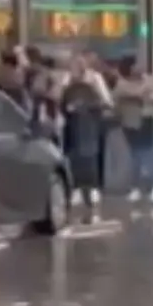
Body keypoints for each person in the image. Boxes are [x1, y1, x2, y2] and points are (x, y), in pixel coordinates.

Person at [113, 56, 153, 203]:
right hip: (130, 122)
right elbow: (123, 94)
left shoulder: (147, 79)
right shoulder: (122, 83)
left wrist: (150, 92)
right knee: (135, 155)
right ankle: (136, 187)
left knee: (150, 154)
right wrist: (146, 89)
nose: (140, 67)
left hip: (148, 119)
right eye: (136, 65)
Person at [60, 56, 106, 213]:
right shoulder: (68, 85)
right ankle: (78, 189)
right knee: (74, 158)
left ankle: (92, 188)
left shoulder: (93, 83)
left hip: (89, 125)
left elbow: (103, 102)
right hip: (72, 126)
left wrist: (86, 107)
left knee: (89, 157)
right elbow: (61, 102)